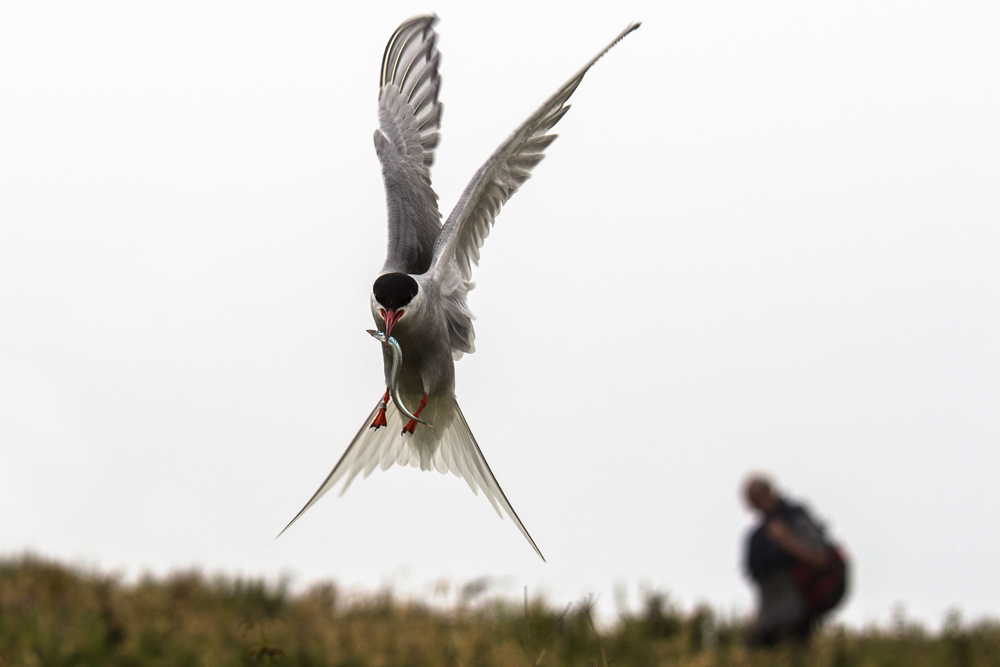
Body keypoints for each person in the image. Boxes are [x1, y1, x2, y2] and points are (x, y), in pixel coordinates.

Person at [741, 474, 837, 647]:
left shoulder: (795, 518)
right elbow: (762, 584)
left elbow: (821, 560)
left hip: (796, 614)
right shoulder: (758, 536)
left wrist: (786, 540)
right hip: (768, 618)